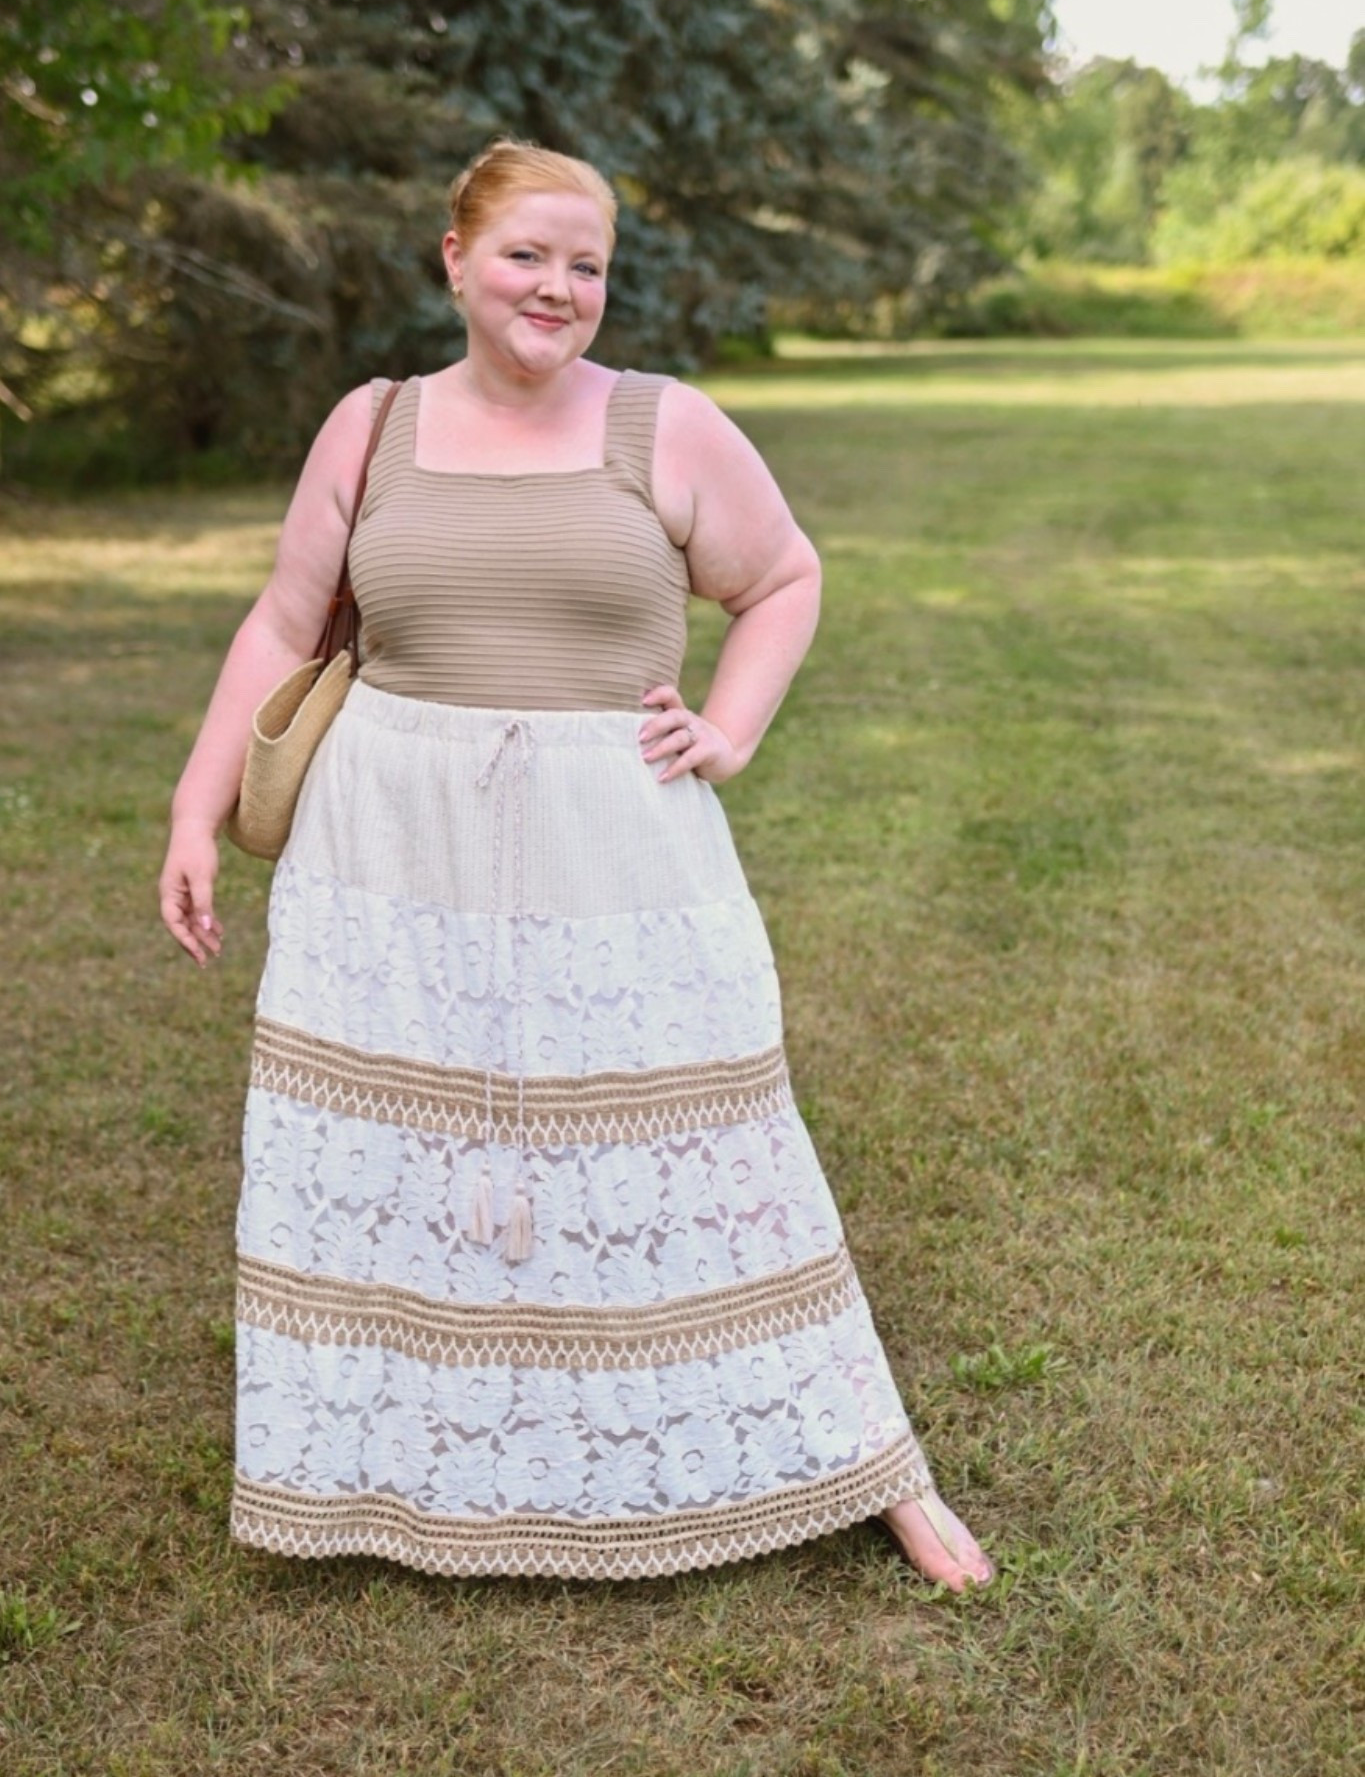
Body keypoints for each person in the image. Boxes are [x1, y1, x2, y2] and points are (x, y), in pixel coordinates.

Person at [158, 137, 993, 1591]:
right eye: (527, 255)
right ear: (455, 260)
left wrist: (729, 725)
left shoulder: (662, 427)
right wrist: (192, 810)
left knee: (708, 1134)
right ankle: (405, 1460)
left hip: (616, 834)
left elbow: (784, 576)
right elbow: (287, 621)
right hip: (390, 840)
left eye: (587, 265)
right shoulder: (374, 426)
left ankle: (867, 1463)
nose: (557, 288)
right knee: (412, 1141)